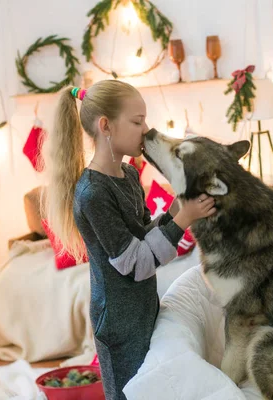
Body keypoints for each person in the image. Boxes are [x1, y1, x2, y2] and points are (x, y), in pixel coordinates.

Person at [43, 80, 216, 399]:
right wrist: (184, 218)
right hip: (118, 321)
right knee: (129, 393)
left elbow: (142, 235)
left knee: (152, 386)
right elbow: (135, 262)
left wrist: (178, 206)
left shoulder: (130, 176)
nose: (146, 130)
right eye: (137, 122)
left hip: (141, 306)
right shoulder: (93, 193)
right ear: (105, 126)